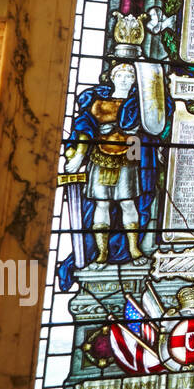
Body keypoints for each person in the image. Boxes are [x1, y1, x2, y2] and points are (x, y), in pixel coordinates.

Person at [60, 64, 160, 275]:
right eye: (120, 75)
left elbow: (151, 129)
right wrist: (79, 155)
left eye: (129, 75)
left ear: (135, 80)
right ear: (112, 78)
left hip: (129, 159)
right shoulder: (97, 102)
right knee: (102, 205)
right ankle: (101, 253)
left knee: (128, 203)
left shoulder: (140, 104)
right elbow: (85, 129)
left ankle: (134, 250)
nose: (124, 79)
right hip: (100, 157)